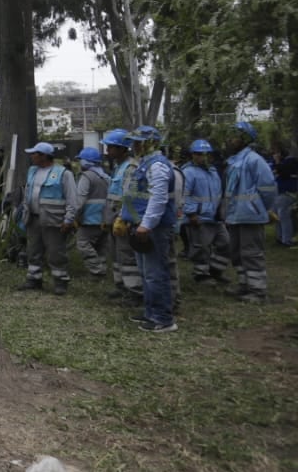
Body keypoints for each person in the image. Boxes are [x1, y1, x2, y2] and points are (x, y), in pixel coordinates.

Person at [116, 126, 177, 332]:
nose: (134, 146)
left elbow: (158, 198)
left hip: (153, 228)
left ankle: (162, 318)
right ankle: (150, 312)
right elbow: (133, 195)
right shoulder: (144, 164)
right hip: (140, 225)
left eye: (138, 142)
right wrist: (125, 217)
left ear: (149, 143)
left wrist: (146, 225)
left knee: (155, 273)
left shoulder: (157, 165)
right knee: (145, 273)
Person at [224, 121, 277, 303]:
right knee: (236, 252)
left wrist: (262, 208)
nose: (230, 139)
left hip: (251, 216)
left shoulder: (254, 160)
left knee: (251, 253)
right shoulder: (234, 161)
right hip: (235, 215)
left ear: (245, 139)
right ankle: (244, 285)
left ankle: (258, 291)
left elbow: (268, 188)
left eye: (234, 136)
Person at [16, 142, 79, 294]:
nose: (32, 156)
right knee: (33, 250)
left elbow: (72, 199)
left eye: (34, 154)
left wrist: (68, 219)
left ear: (44, 156)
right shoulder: (32, 171)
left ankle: (60, 281)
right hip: (33, 218)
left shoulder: (64, 173)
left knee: (56, 252)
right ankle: (34, 279)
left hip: (54, 220)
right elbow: (28, 193)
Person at [101, 129, 142, 303]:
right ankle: (121, 286)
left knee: (127, 256)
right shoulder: (119, 167)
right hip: (114, 218)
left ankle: (135, 292)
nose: (107, 150)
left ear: (123, 149)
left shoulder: (131, 167)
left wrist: (124, 218)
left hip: (123, 219)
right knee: (116, 256)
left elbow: (129, 196)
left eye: (111, 147)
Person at [183, 138, 231, 284]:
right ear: (192, 155)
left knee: (226, 243)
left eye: (205, 154)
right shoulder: (188, 172)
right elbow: (183, 195)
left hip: (215, 217)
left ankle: (215, 270)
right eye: (198, 154)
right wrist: (191, 214)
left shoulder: (213, 171)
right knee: (201, 248)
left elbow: (218, 193)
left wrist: (221, 212)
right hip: (199, 217)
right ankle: (201, 274)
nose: (202, 157)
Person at [73, 147, 109, 279]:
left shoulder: (86, 176)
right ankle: (102, 270)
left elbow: (79, 200)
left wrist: (74, 217)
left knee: (83, 243)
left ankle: (97, 271)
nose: (79, 163)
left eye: (80, 160)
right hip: (105, 218)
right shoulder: (106, 177)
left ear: (86, 162)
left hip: (89, 218)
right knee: (101, 246)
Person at [271, 146, 297, 247]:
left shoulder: (290, 161)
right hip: (279, 193)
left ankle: (287, 240)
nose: (274, 155)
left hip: (287, 193)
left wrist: (277, 162)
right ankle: (280, 237)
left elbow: (284, 173)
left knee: (284, 216)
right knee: (278, 216)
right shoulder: (278, 163)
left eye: (276, 153)